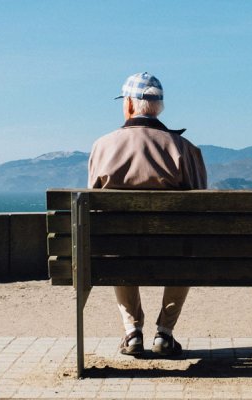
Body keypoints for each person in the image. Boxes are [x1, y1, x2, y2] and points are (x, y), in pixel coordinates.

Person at [88, 72, 208, 357]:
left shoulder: (103, 146)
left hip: (120, 251)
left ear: (129, 104)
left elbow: (92, 205)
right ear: (159, 107)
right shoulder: (184, 149)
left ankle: (132, 331)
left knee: (116, 246)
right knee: (186, 250)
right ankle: (164, 332)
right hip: (173, 251)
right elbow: (202, 205)